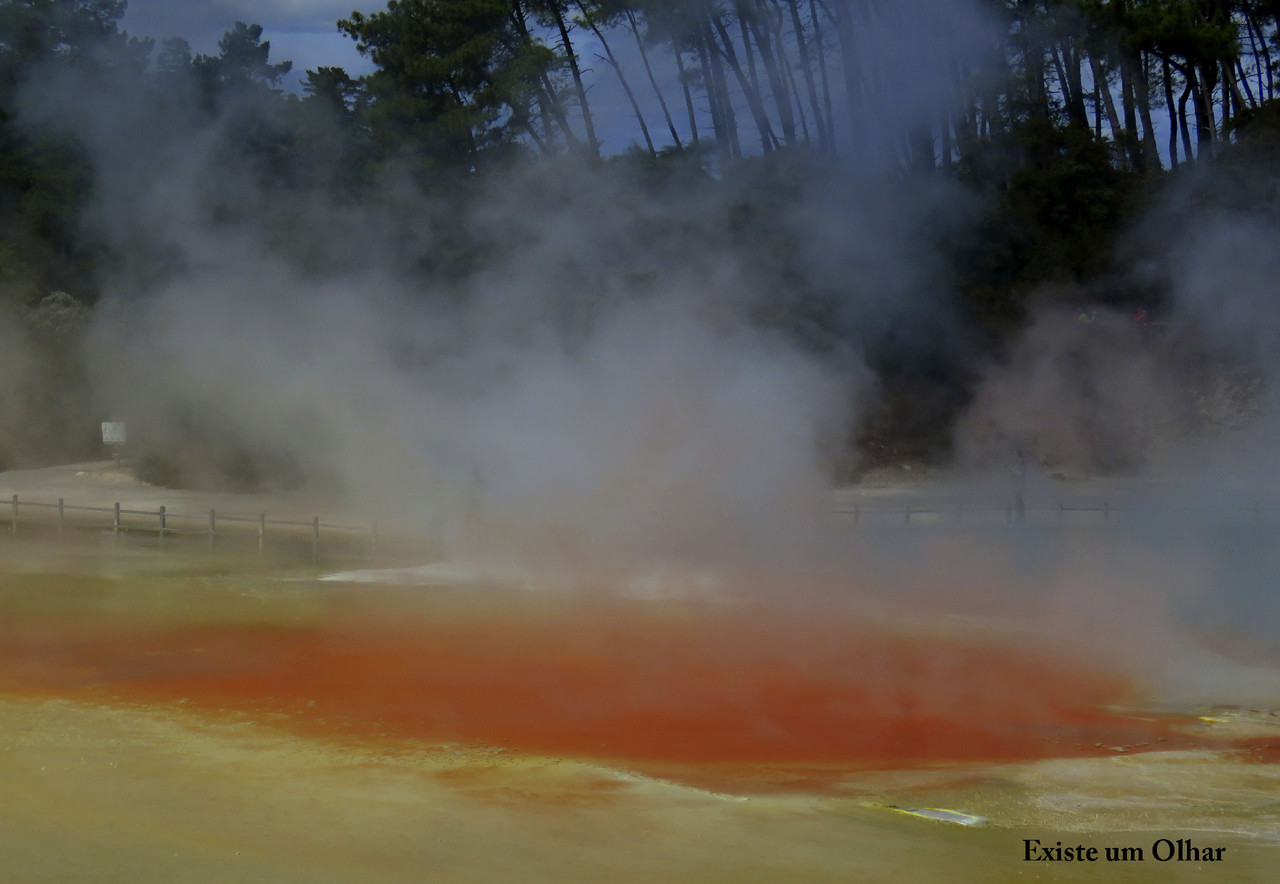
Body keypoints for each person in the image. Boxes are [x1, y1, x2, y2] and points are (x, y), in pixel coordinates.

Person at [1011, 448, 1027, 522]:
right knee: (1018, 500)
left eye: (1015, 454)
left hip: (1020, 483)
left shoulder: (1022, 463)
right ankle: (1019, 517)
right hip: (1017, 483)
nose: (1014, 456)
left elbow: (1021, 473)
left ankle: (1020, 517)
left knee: (1019, 500)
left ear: (1018, 455)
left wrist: (1013, 471)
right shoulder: (1018, 462)